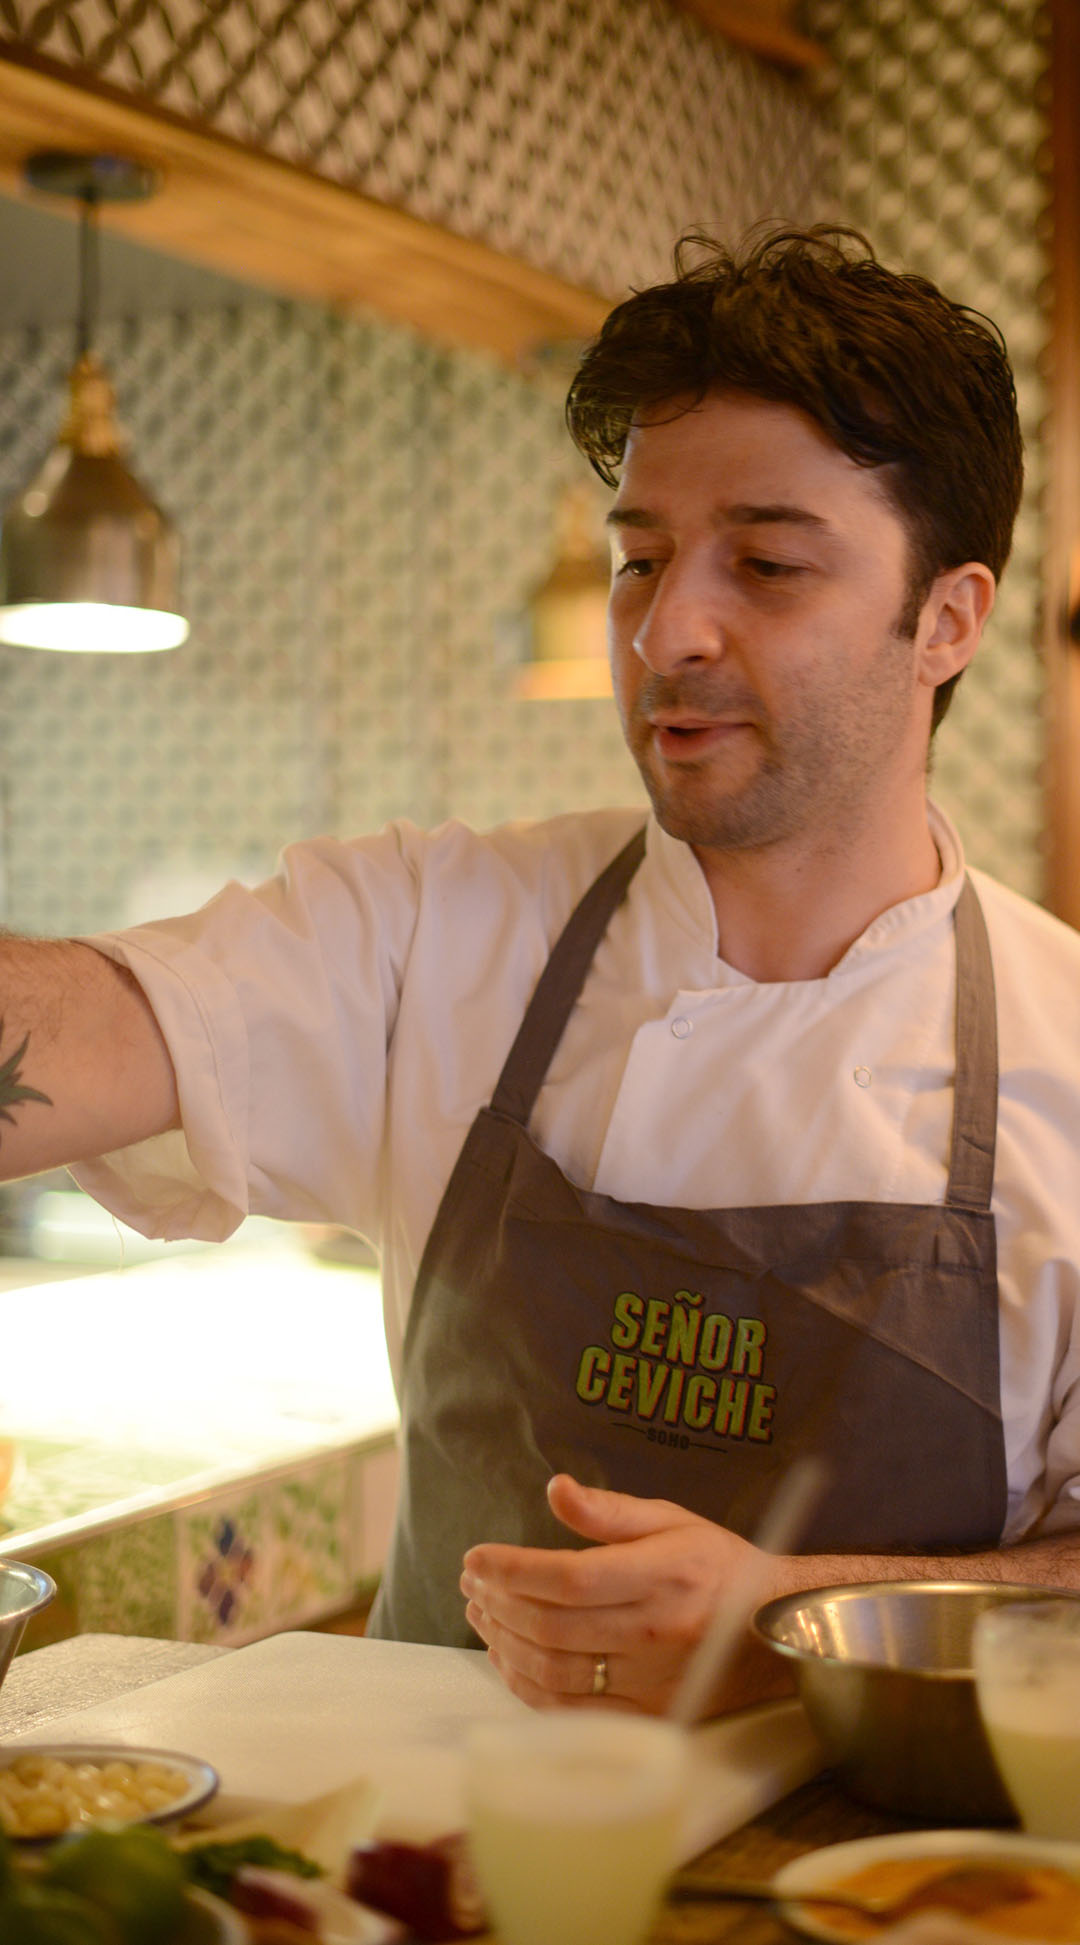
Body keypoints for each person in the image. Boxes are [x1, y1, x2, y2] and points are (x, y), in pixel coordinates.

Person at [3, 223, 1080, 1720]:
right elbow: (84, 1030)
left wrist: (792, 1609)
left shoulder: (1066, 1055)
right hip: (436, 1873)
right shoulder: (435, 933)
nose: (665, 630)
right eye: (642, 558)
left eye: (765, 564)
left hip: (899, 1888)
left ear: (947, 620)